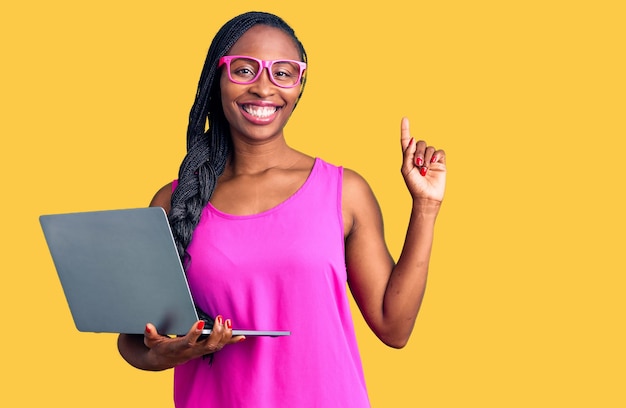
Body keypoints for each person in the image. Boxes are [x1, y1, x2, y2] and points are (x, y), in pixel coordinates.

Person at [117, 11, 446, 407]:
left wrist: (425, 206)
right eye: (244, 70)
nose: (263, 88)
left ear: (300, 84)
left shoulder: (344, 192)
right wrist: (166, 354)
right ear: (216, 78)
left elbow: (394, 328)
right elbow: (134, 340)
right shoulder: (173, 202)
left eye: (283, 73)